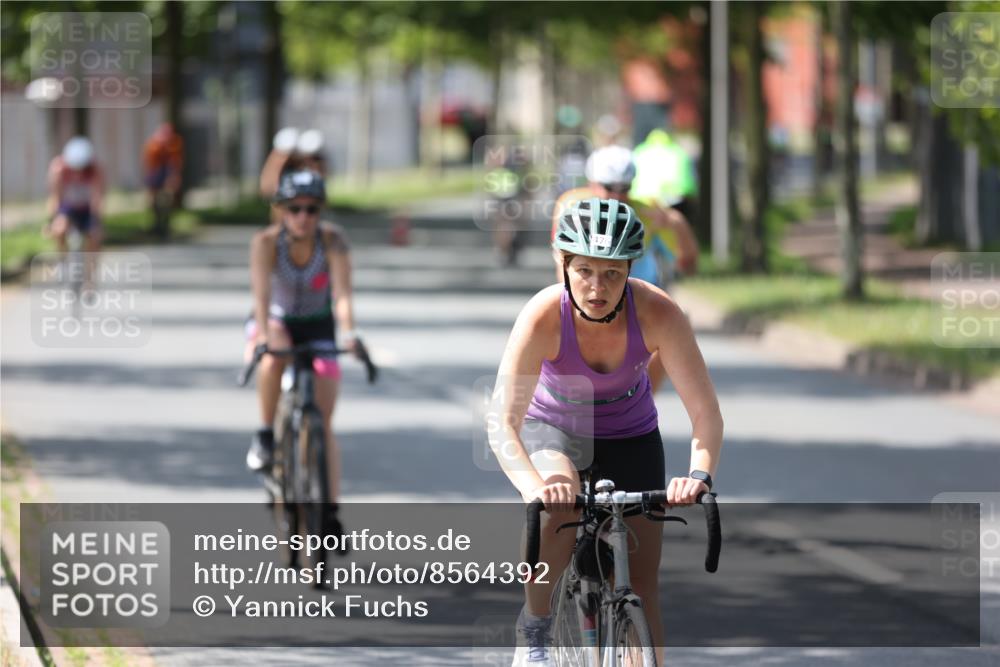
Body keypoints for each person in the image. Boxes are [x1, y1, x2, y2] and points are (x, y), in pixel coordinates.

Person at [492, 198, 723, 666]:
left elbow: (705, 413)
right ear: (564, 265)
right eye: (585, 272)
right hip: (553, 428)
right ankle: (534, 630)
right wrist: (534, 488)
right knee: (558, 497)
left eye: (612, 274)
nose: (598, 287)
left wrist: (698, 474)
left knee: (642, 586)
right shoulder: (542, 315)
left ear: (630, 270)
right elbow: (503, 423)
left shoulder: (659, 313)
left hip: (631, 434)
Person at [244, 169, 364, 536]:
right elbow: (261, 297)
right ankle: (266, 434)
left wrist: (350, 332)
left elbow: (342, 294)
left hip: (319, 323)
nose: (303, 217)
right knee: (273, 356)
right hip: (276, 321)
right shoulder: (266, 243)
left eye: (312, 209)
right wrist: (263, 335)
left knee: (324, 425)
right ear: (281, 210)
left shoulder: (333, 241)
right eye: (294, 208)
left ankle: (328, 511)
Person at [551, 145, 699, 392]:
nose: (617, 197)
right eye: (609, 187)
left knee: (674, 327)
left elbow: (689, 265)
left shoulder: (647, 212)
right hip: (591, 298)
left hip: (638, 300)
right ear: (592, 182)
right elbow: (562, 264)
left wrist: (677, 223)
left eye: (625, 189)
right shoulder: (571, 205)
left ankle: (641, 402)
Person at [46, 136, 104, 279]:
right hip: (67, 207)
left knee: (95, 237)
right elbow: (55, 198)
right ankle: (62, 260)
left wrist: (96, 220)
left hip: (86, 208)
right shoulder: (58, 168)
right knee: (59, 229)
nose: (78, 172)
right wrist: (52, 220)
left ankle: (90, 280)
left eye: (82, 168)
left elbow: (97, 197)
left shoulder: (95, 170)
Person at [142, 122, 184, 238]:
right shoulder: (153, 145)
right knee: (153, 200)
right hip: (156, 172)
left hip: (167, 172)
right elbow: (150, 164)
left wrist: (174, 177)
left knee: (168, 199)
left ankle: (165, 224)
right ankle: (156, 224)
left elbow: (175, 163)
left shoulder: (175, 144)